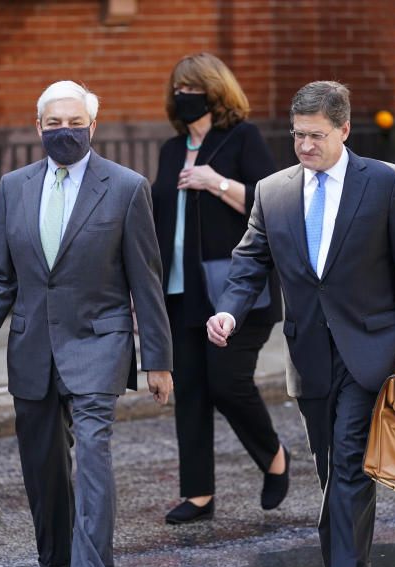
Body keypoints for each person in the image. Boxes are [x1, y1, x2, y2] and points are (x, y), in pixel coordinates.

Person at [0, 80, 173, 567]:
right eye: (54, 124)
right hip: (32, 347)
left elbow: (146, 282)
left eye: (75, 123)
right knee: (44, 466)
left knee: (93, 459)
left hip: (99, 340)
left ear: (93, 127)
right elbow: (0, 277)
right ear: (38, 125)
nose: (64, 132)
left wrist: (158, 359)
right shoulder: (15, 186)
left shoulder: (125, 188)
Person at [207, 81, 395, 567]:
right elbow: (249, 262)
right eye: (297, 135)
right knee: (334, 463)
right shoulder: (273, 190)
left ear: (344, 130)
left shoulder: (385, 183)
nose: (305, 145)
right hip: (307, 349)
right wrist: (228, 311)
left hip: (372, 346)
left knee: (352, 455)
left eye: (316, 135)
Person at [151, 52, 286, 525]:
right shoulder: (170, 151)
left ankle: (273, 456)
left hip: (236, 291)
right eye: (178, 92)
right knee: (189, 388)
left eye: (193, 91)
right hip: (179, 290)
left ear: (215, 92)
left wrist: (217, 182)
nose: (183, 98)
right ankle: (198, 495)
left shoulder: (241, 139)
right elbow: (158, 218)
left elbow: (273, 201)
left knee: (227, 383)